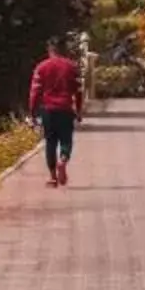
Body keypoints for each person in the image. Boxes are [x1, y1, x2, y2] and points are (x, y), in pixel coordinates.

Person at [27, 36, 84, 188]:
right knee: (66, 140)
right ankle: (63, 159)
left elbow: (35, 92)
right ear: (64, 49)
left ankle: (52, 178)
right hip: (65, 109)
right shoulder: (72, 67)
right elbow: (78, 91)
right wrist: (78, 110)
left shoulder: (41, 67)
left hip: (48, 110)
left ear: (49, 49)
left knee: (50, 142)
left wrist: (32, 113)